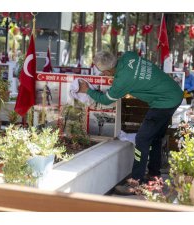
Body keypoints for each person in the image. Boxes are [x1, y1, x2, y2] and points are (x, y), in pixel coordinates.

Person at [78, 51, 183, 195]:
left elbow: (106, 100)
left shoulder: (122, 82)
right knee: (156, 138)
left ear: (108, 70)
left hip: (164, 102)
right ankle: (154, 175)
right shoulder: (129, 56)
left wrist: (88, 91)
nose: (103, 74)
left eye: (103, 72)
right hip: (174, 93)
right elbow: (132, 72)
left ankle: (136, 182)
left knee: (142, 139)